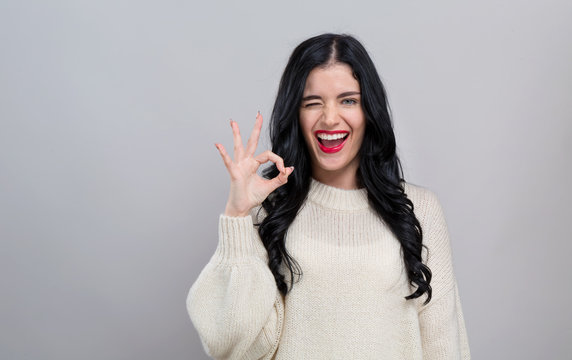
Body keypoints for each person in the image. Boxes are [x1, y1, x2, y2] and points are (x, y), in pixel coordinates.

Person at [186, 33, 470, 359]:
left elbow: (443, 344)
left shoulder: (420, 210)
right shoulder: (268, 211)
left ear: (369, 111)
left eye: (348, 100)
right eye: (313, 103)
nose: (330, 118)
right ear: (296, 114)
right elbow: (231, 345)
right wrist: (237, 216)